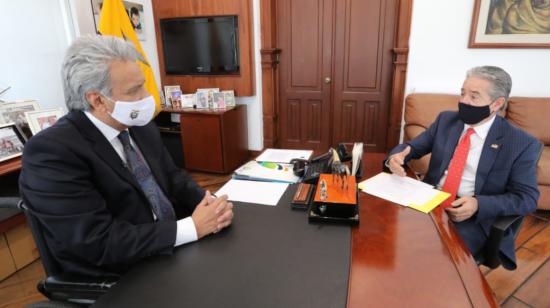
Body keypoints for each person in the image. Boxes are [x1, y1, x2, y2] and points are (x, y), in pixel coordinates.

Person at [19, 35, 234, 278]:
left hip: (166, 247)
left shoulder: (139, 125)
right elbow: (98, 242)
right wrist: (191, 228)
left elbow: (173, 178)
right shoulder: (51, 153)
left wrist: (212, 205)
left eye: (143, 85)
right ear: (98, 100)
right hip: (121, 273)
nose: (147, 96)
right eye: (135, 90)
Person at [386, 66, 540, 270]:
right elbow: (413, 147)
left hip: (473, 219)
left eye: (474, 96)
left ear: (497, 103)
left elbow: (527, 198)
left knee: (434, 262)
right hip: (429, 201)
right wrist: (396, 157)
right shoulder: (447, 121)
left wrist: (478, 204)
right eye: (462, 93)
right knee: (390, 238)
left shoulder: (520, 143)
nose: (463, 101)